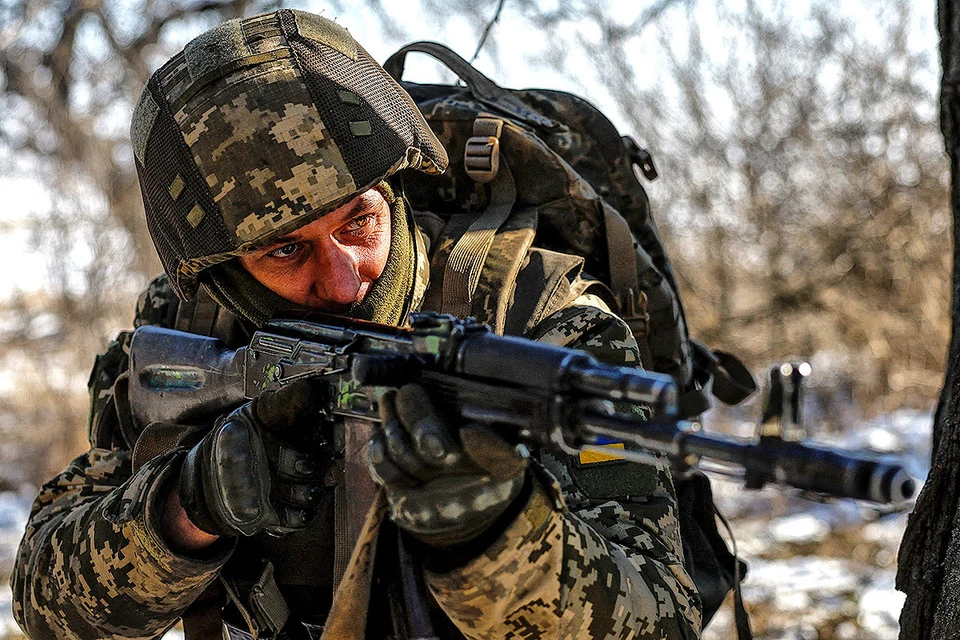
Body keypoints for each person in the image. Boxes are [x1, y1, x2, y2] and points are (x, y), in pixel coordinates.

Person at [11, 9, 701, 640]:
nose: (344, 280)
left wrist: (496, 538)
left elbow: (664, 619)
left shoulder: (544, 328)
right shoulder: (189, 326)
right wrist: (186, 509)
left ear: (395, 191)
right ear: (221, 271)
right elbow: (45, 604)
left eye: (359, 222)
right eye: (285, 250)